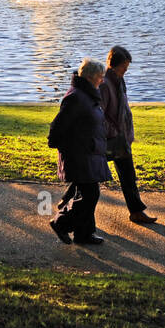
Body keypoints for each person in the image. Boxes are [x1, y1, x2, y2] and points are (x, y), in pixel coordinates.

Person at [47, 59, 110, 245]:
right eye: (100, 77)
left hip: (88, 152)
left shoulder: (86, 94)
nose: (102, 80)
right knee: (90, 194)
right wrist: (64, 147)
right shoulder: (76, 97)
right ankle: (61, 223)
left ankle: (84, 234)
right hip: (79, 154)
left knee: (86, 193)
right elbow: (58, 126)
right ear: (90, 77)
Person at [99, 46, 157, 224]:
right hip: (110, 139)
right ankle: (68, 210)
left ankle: (136, 211)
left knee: (128, 174)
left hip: (121, 139)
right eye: (124, 67)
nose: (126, 71)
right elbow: (100, 114)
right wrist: (114, 132)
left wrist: (126, 134)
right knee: (90, 178)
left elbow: (122, 109)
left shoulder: (118, 80)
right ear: (113, 65)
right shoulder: (105, 84)